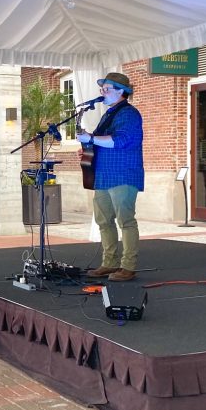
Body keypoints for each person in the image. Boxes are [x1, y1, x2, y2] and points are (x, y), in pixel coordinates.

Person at [76, 72, 144, 282]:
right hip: (104, 175)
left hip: (123, 175)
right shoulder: (108, 114)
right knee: (103, 221)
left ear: (121, 91)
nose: (103, 93)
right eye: (102, 89)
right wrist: (87, 146)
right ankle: (110, 262)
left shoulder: (130, 114)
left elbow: (121, 141)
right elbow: (98, 141)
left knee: (126, 221)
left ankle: (128, 266)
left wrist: (92, 138)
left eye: (107, 89)